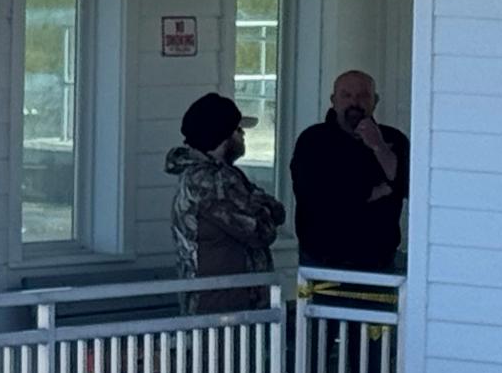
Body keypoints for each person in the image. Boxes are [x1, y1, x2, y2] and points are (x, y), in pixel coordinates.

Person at [165, 92, 285, 313]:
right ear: (223, 137)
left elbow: (276, 211)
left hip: (221, 300)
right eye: (239, 130)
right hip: (224, 306)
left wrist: (262, 205)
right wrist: (262, 206)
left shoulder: (205, 177)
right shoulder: (212, 183)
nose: (243, 136)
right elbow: (261, 231)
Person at [290, 71, 411, 271]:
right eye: (346, 95)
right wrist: (377, 191)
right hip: (321, 261)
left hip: (381, 260)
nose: (355, 102)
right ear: (333, 100)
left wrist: (378, 146)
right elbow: (318, 197)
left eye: (363, 96)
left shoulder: (394, 139)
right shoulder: (313, 141)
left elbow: (407, 187)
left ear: (375, 101)